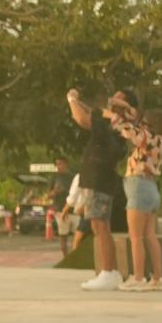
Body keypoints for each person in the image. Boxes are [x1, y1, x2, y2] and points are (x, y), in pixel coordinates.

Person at [103, 91, 162, 292]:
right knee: (150, 235)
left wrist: (112, 116)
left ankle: (138, 277)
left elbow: (128, 130)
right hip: (151, 188)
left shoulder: (147, 136)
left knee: (136, 237)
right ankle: (158, 278)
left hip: (138, 186)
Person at [66, 84, 124, 291]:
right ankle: (109, 272)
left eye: (118, 98)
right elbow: (90, 113)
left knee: (100, 226)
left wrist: (71, 99)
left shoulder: (112, 122)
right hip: (99, 179)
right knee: (98, 226)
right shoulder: (113, 123)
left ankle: (109, 272)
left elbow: (82, 119)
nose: (112, 100)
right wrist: (78, 102)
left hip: (99, 179)